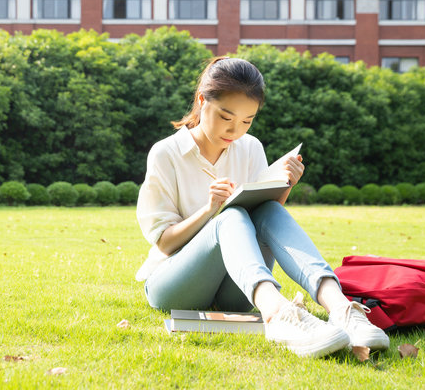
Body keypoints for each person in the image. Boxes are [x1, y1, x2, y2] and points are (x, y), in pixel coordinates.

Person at [135, 56, 389, 358]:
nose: (234, 130)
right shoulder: (167, 153)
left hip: (237, 289)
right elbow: (164, 242)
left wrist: (285, 185)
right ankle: (278, 314)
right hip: (174, 285)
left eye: (246, 121)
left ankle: (342, 309)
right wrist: (209, 210)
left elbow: (263, 218)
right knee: (229, 216)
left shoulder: (250, 147)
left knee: (269, 210)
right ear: (203, 100)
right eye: (226, 117)